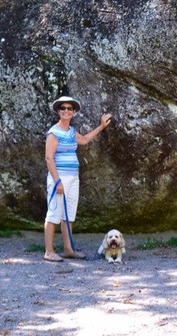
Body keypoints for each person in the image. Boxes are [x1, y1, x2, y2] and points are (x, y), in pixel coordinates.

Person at [44, 95, 112, 262]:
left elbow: (85, 140)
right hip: (59, 178)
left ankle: (68, 250)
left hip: (73, 178)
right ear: (58, 111)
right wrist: (57, 180)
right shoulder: (54, 132)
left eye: (69, 108)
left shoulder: (71, 131)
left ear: (73, 112)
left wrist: (101, 127)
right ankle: (49, 251)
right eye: (63, 108)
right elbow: (48, 158)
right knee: (53, 214)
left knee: (68, 215)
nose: (66, 111)